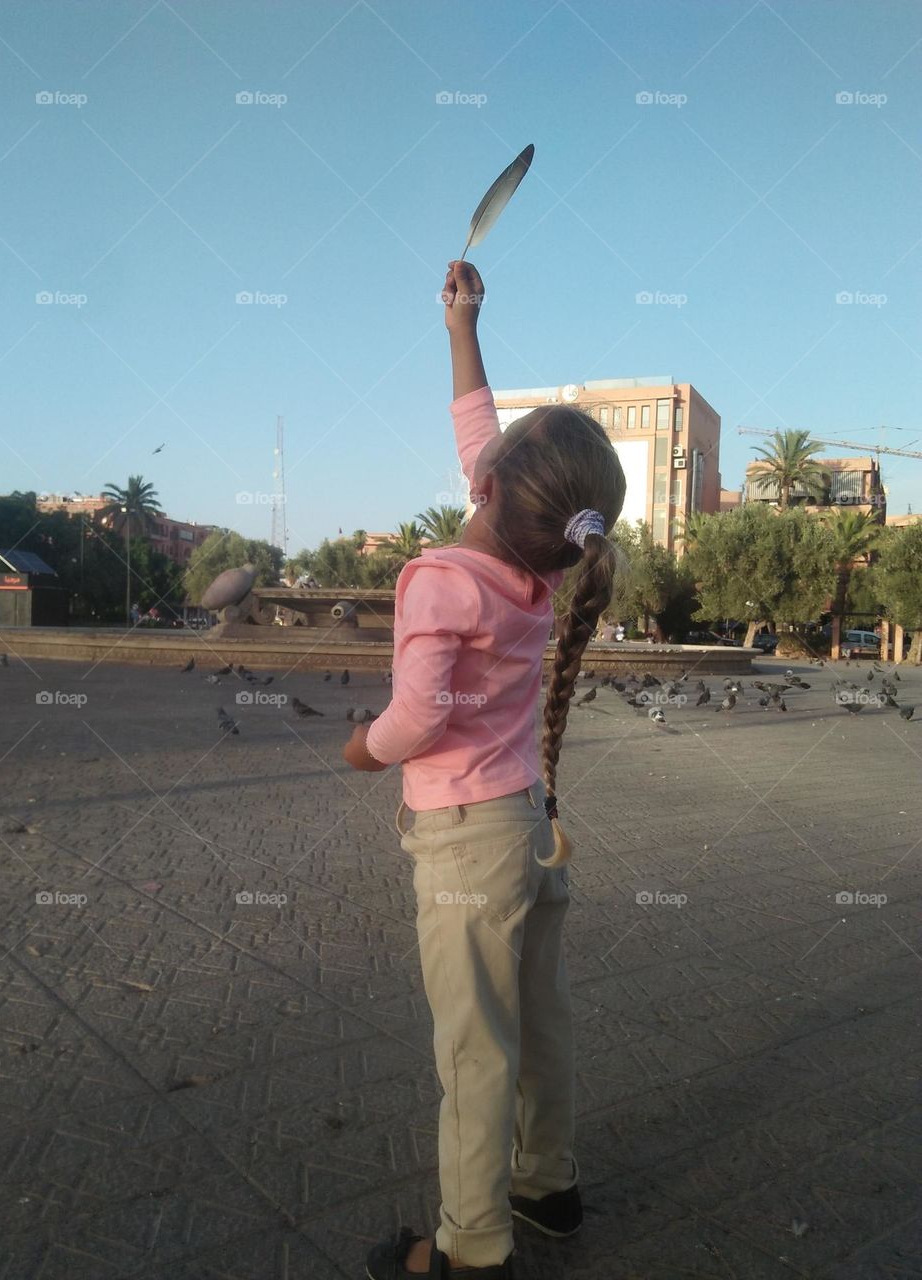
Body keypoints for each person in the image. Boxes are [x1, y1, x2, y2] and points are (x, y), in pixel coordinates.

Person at [344, 261, 626, 1279]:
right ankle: (546, 1181)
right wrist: (462, 323)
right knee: (540, 1016)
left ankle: (470, 1247)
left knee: (473, 1050)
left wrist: (360, 745)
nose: (479, 450)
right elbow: (484, 437)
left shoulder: (443, 579)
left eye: (491, 455)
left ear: (492, 488)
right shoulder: (537, 566)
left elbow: (416, 715)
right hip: (532, 825)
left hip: (470, 843)